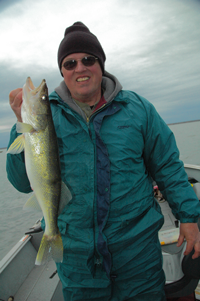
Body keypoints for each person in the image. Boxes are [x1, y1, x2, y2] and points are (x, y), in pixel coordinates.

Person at [6, 22, 200, 301]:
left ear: (101, 63)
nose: (80, 68)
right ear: (62, 71)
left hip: (139, 258)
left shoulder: (138, 109)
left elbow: (168, 166)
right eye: (70, 63)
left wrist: (189, 218)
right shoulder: (46, 117)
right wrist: (20, 123)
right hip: (78, 263)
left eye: (88, 59)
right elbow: (23, 183)